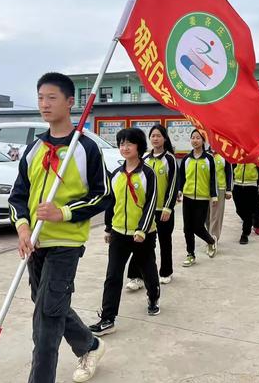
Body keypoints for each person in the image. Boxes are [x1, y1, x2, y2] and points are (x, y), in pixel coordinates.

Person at [8, 73, 111, 383]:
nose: (44, 104)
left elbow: (103, 195)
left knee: (46, 326)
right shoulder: (34, 148)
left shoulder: (86, 149)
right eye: (40, 97)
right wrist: (23, 227)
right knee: (49, 306)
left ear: (70, 102)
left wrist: (63, 212)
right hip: (35, 246)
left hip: (66, 245)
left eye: (52, 97)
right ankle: (90, 345)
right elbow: (18, 196)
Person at [90, 128, 160, 337]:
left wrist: (142, 229)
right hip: (119, 233)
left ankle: (153, 297)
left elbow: (151, 203)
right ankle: (108, 319)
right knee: (112, 276)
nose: (124, 147)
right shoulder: (116, 175)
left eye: (129, 143)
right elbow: (111, 204)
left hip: (143, 234)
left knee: (148, 270)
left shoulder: (148, 174)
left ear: (139, 146)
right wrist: (109, 228)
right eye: (121, 143)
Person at [125, 124, 178, 288]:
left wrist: (168, 207)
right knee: (140, 242)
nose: (155, 139)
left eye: (158, 136)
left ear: (164, 138)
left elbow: (174, 185)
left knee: (164, 241)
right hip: (146, 210)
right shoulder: (145, 159)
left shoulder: (170, 159)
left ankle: (166, 272)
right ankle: (136, 277)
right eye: (153, 136)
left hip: (163, 211)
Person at [178, 129, 218, 267]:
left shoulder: (209, 159)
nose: (195, 140)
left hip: (202, 198)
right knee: (187, 228)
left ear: (203, 141)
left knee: (198, 226)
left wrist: (214, 196)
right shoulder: (186, 159)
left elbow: (213, 179)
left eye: (198, 138)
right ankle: (190, 254)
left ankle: (211, 241)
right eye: (193, 138)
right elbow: (181, 177)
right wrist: (179, 190)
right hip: (188, 196)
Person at [232, 162, 259, 244]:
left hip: (251, 185)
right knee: (239, 210)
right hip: (237, 184)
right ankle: (249, 222)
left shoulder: (255, 153)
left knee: (248, 211)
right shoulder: (238, 152)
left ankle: (245, 234)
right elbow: (233, 165)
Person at [207, 149, 233, 241]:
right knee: (206, 214)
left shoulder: (224, 155)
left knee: (216, 215)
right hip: (205, 188)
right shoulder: (206, 154)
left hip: (220, 188)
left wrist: (229, 190)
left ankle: (213, 238)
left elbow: (229, 172)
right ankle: (208, 234)